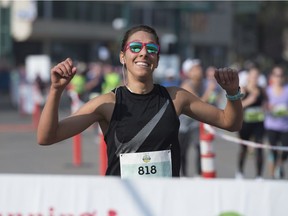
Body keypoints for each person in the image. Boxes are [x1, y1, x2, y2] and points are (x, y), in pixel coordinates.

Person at [37, 25, 243, 178]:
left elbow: (229, 122)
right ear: (122, 57)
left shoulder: (176, 98)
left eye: (151, 49)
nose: (144, 52)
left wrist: (233, 93)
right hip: (122, 204)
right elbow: (47, 136)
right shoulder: (107, 104)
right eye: (135, 47)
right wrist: (56, 90)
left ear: (157, 60)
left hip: (165, 204)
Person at [235, 66, 267, 179]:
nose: (254, 79)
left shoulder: (261, 90)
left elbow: (266, 103)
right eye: (253, 76)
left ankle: (259, 175)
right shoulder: (243, 89)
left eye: (256, 76)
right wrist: (249, 101)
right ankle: (240, 172)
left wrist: (266, 107)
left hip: (258, 122)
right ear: (248, 77)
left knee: (259, 147)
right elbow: (237, 106)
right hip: (245, 123)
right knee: (244, 148)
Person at [264, 65, 288, 179]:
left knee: (285, 151)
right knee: (273, 151)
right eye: (276, 75)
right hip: (271, 125)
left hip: (285, 126)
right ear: (272, 77)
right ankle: (272, 173)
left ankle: (279, 165)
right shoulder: (268, 91)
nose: (278, 77)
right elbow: (263, 106)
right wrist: (268, 107)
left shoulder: (287, 90)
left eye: (281, 75)